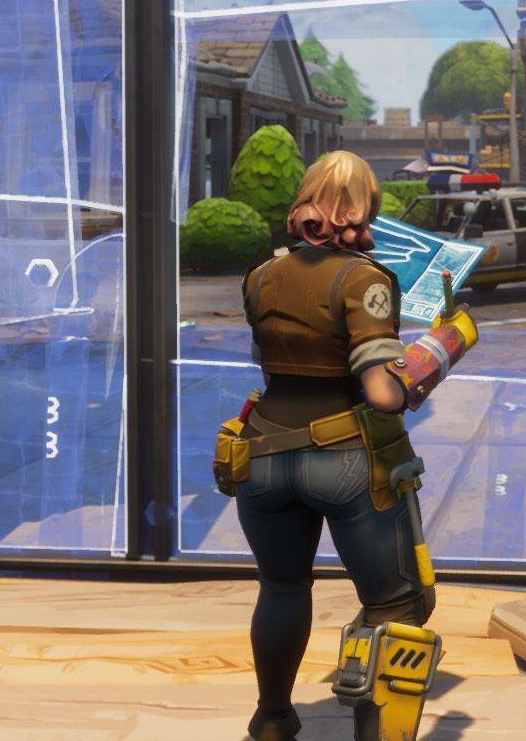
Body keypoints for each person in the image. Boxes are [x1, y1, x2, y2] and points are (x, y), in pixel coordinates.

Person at [218, 150, 451, 741]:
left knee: (282, 588)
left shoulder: (261, 275)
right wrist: (439, 352)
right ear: (363, 206)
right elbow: (383, 394)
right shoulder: (364, 280)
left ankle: (273, 719)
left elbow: (271, 361)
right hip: (346, 459)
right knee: (397, 605)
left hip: (261, 456)